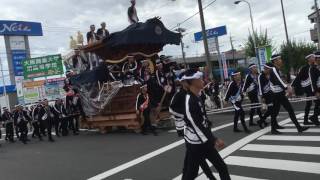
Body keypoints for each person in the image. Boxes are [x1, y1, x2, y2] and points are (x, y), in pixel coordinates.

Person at [181, 69, 230, 180]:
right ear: (192, 82)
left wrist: (208, 125)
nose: (202, 80)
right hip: (195, 144)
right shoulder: (189, 100)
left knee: (222, 167)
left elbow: (201, 120)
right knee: (191, 173)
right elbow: (196, 125)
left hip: (204, 140)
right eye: (199, 78)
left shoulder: (198, 96)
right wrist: (214, 140)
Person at [170, 71, 216, 180]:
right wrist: (186, 115)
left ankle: (188, 176)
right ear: (183, 83)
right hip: (186, 129)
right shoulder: (180, 94)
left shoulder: (194, 93)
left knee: (192, 158)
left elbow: (200, 111)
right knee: (196, 159)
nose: (186, 83)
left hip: (195, 129)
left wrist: (205, 120)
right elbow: (172, 109)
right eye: (184, 82)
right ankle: (209, 177)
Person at [269, 54, 309, 134]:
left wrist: (286, 87)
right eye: (279, 59)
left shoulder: (277, 69)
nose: (281, 60)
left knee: (275, 111)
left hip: (278, 94)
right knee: (289, 110)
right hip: (277, 94)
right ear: (275, 61)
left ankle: (274, 128)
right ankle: (298, 127)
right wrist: (287, 89)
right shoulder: (273, 69)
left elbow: (281, 81)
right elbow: (278, 81)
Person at [291, 53, 320, 125]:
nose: (314, 58)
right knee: (313, 103)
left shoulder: (315, 66)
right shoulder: (304, 68)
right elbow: (298, 78)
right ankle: (312, 118)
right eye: (312, 57)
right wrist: (292, 87)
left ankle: (309, 119)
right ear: (309, 59)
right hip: (308, 88)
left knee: (311, 104)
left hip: (313, 88)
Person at [257, 63, 274, 128]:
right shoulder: (260, 76)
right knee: (271, 109)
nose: (266, 70)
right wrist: (262, 97)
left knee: (271, 109)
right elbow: (260, 87)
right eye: (265, 69)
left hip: (271, 93)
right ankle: (262, 121)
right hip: (265, 95)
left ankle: (261, 121)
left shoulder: (270, 74)